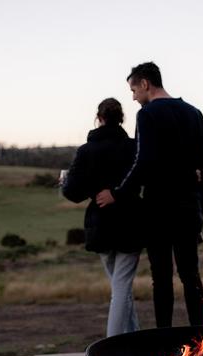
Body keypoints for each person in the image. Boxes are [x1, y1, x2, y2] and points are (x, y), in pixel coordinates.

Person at [96, 62, 203, 328]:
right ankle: (201, 337)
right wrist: (199, 207)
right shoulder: (195, 113)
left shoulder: (148, 114)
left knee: (162, 277)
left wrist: (118, 193)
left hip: (158, 208)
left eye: (134, 89)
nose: (134, 97)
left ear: (145, 84)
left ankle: (164, 342)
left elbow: (143, 161)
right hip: (188, 207)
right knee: (190, 275)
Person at [62, 98, 142, 337]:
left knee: (119, 289)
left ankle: (119, 341)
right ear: (121, 119)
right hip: (130, 223)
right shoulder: (133, 147)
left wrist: (66, 183)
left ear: (99, 118)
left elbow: (72, 192)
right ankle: (124, 339)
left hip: (101, 225)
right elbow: (141, 178)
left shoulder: (86, 151)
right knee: (121, 288)